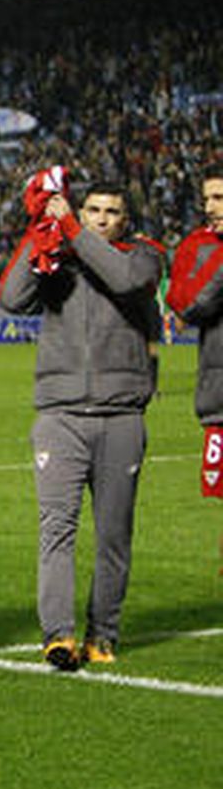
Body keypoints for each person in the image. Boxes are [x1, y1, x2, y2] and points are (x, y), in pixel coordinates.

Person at [0, 171, 163, 670]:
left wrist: (71, 229)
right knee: (57, 528)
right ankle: (59, 636)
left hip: (121, 415)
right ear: (82, 211)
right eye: (93, 211)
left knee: (114, 534)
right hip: (60, 415)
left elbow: (125, 281)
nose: (101, 219)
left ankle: (103, 633)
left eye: (112, 212)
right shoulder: (57, 257)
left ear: (126, 219)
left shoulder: (144, 255)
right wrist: (38, 232)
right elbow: (11, 298)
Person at [164, 161, 223, 579]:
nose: (210, 207)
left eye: (219, 198)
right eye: (207, 199)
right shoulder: (199, 245)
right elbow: (186, 303)